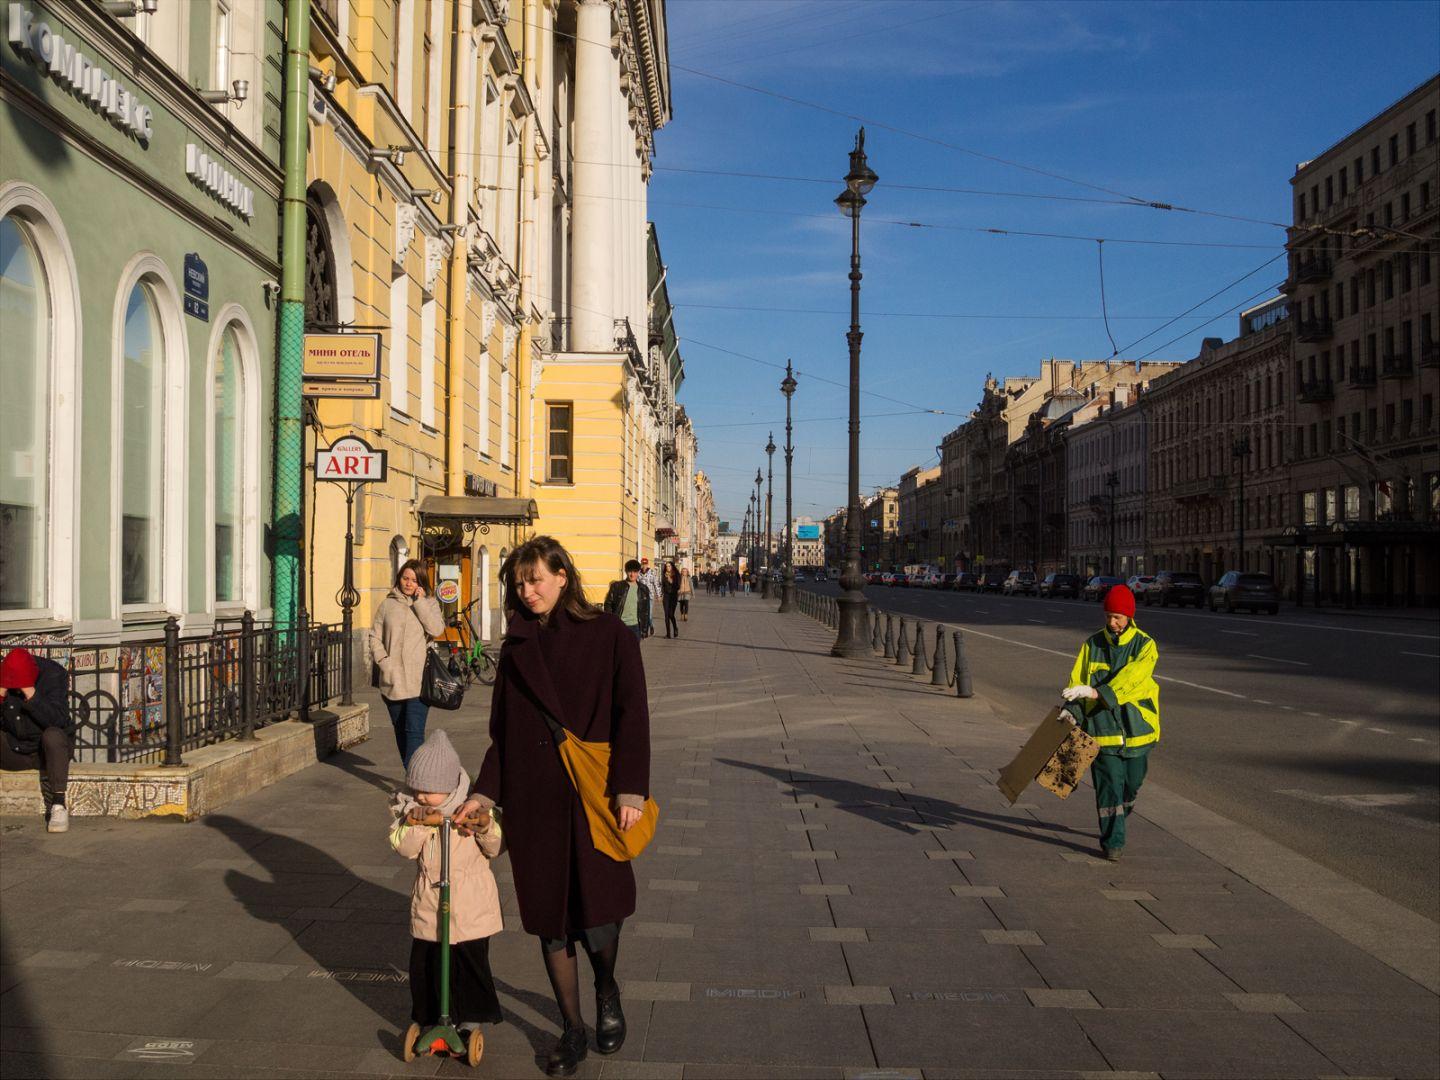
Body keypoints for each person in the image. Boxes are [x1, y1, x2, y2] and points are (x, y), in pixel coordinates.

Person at [457, 537, 650, 1076]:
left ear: (563, 575)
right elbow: (503, 735)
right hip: (534, 800)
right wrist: (484, 791)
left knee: (601, 916)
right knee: (551, 924)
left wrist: (631, 788)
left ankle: (606, 987)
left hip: (593, 796)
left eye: (537, 578)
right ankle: (571, 1028)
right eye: (520, 582)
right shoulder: (516, 645)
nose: (528, 590)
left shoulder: (609, 635)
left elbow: (632, 712)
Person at [390, 729, 505, 1045]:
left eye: (428, 791)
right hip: (430, 902)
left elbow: (497, 845)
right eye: (417, 789)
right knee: (426, 965)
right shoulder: (411, 810)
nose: (421, 797)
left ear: (450, 787)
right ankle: (429, 1019)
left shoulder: (473, 806)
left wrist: (483, 826)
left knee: (468, 965)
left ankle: (469, 1021)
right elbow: (402, 847)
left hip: (470, 906)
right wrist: (416, 825)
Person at [1060, 584, 1161, 861]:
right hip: (1102, 731)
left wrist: (1097, 692)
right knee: (1109, 787)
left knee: (1132, 784)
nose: (1112, 622)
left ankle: (1121, 814)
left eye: (1117, 617)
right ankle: (1113, 841)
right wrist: (1073, 710)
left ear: (1129, 617)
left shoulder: (1144, 644)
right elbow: (1078, 680)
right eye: (1108, 616)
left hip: (1137, 730)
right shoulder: (1093, 644)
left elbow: (1134, 680)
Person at [369, 559, 447, 767]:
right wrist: (384, 661)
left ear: (421, 582)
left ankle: (415, 783)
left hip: (419, 681)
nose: (408, 583)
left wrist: (419, 602)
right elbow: (375, 636)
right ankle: (413, 775)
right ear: (399, 578)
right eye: (405, 578)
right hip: (392, 679)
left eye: (414, 579)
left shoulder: (429, 603)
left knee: (414, 732)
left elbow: (436, 630)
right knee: (400, 731)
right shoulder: (387, 604)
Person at [0, 647, 75, 833]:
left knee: (54, 735)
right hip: (15, 749)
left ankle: (58, 805)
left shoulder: (54, 675)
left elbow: (58, 720)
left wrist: (31, 695)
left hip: (48, 753)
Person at [603, 560, 652, 640]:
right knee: (620, 651)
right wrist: (610, 623)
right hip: (620, 626)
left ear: (638, 572)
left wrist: (645, 630)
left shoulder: (643, 589)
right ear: (626, 571)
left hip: (636, 627)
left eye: (635, 572)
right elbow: (608, 604)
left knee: (633, 652)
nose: (632, 574)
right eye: (630, 571)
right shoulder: (617, 586)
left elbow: (646, 610)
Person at [660, 561, 681, 639]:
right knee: (666, 615)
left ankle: (675, 628)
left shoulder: (676, 575)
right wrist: (661, 594)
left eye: (669, 566)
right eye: (666, 566)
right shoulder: (663, 575)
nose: (667, 568)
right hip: (666, 596)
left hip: (673, 596)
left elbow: (678, 586)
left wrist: (670, 580)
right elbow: (662, 585)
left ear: (672, 567)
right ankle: (668, 633)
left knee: (671, 614)